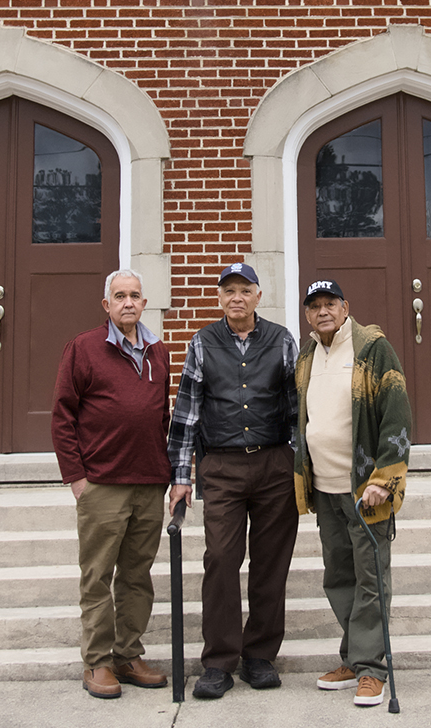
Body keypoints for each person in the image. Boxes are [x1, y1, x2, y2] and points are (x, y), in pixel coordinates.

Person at [167, 262, 300, 700]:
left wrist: (302, 465)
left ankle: (259, 656)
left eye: (245, 290)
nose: (236, 297)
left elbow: (298, 408)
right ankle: (219, 661)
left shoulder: (282, 341)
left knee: (270, 562)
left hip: (274, 465)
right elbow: (186, 414)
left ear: (259, 296)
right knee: (221, 559)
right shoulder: (202, 342)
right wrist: (181, 476)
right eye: (229, 291)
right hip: (221, 468)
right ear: (220, 298)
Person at [51, 269, 172, 700]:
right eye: (119, 296)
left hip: (149, 482)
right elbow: (63, 417)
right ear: (107, 305)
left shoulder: (159, 352)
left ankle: (128, 654)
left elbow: (162, 418)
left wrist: (170, 474)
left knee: (137, 577)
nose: (128, 303)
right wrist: (77, 479)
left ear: (144, 303)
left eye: (135, 296)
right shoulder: (83, 349)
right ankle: (98, 662)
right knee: (98, 576)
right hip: (102, 484)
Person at [293, 279, 411, 708]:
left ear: (346, 307)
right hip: (324, 488)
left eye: (330, 303)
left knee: (371, 578)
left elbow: (397, 415)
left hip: (365, 489)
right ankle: (356, 655)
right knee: (338, 575)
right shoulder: (307, 355)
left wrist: (384, 478)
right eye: (314, 306)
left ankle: (372, 669)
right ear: (307, 314)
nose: (322, 311)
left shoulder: (372, 349)